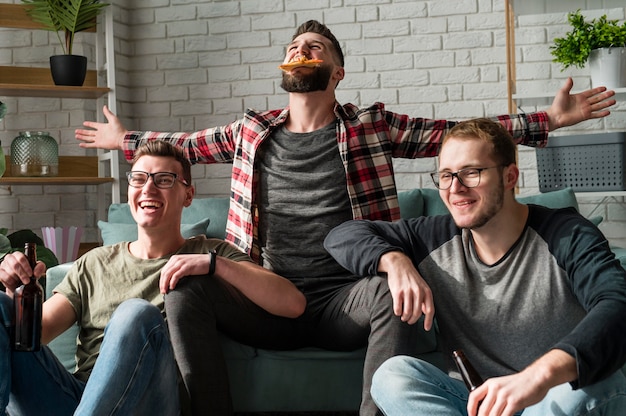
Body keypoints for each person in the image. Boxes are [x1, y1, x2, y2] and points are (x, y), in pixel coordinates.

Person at [74, 20, 617, 415]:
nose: (301, 49)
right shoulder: (250, 131)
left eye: (315, 47)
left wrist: (545, 120)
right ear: (286, 69)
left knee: (390, 290)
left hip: (347, 297)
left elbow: (456, 136)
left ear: (336, 72)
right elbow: (182, 144)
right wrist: (126, 140)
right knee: (186, 291)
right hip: (268, 293)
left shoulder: (369, 127)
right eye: (293, 47)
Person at [324, 118, 626, 416]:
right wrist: (394, 261)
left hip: (550, 396)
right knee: (392, 375)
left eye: (472, 172)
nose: (455, 188)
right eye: (446, 175)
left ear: (510, 177)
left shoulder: (566, 234)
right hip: (478, 405)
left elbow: (616, 304)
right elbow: (342, 235)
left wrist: (538, 376)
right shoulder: (432, 238)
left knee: (594, 385)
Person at [0, 141, 305, 415]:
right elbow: (36, 335)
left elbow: (292, 304)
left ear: (188, 194)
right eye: (139, 178)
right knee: (1, 306)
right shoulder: (94, 263)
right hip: (78, 399)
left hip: (151, 401)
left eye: (164, 180)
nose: (148, 189)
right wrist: (16, 293)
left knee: (136, 314)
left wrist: (218, 266)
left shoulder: (209, 254)